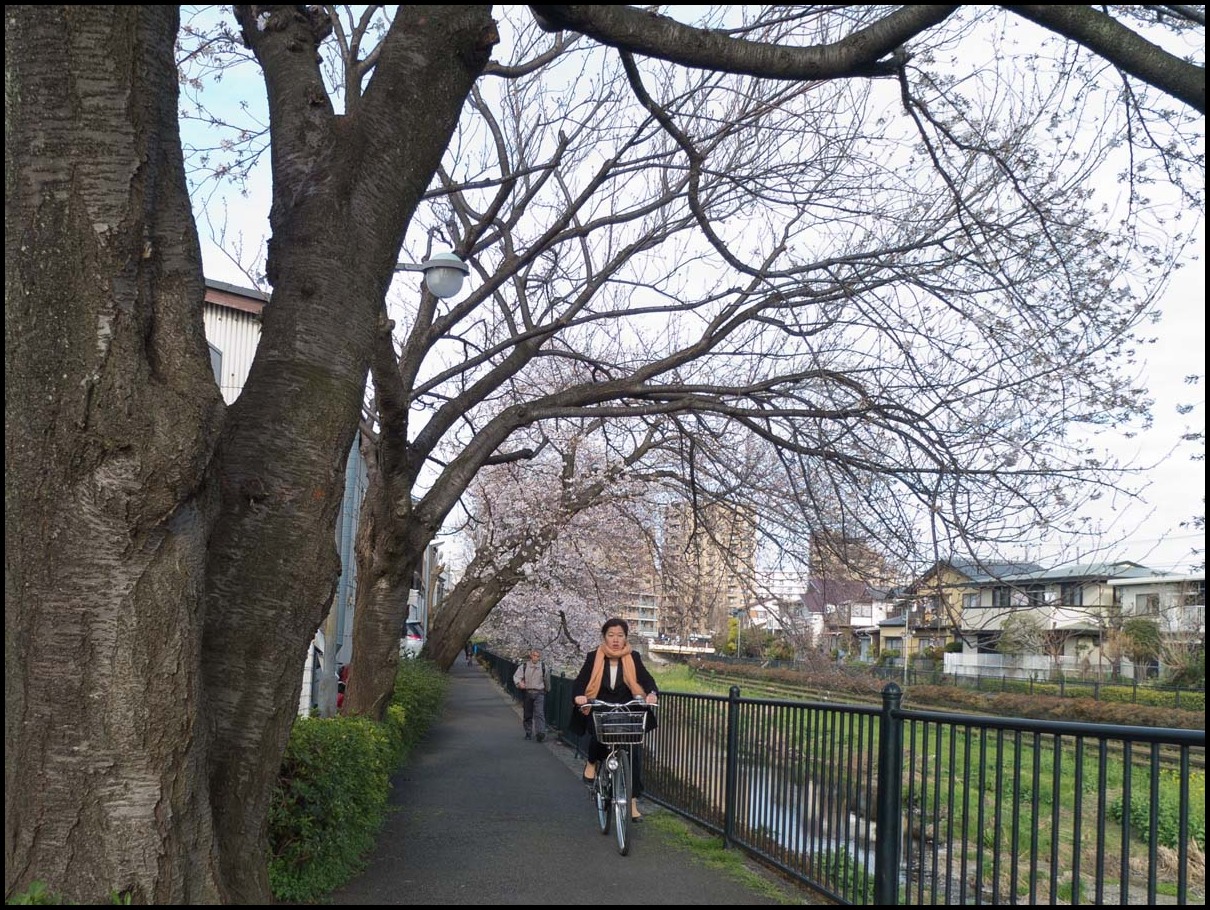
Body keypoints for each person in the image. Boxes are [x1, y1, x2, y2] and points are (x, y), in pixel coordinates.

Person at [571, 617, 658, 822]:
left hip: (627, 709)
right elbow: (581, 681)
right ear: (604, 637)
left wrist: (652, 693)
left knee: (634, 753)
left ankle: (633, 802)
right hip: (602, 706)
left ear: (626, 638)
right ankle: (592, 762)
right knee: (599, 734)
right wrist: (579, 696)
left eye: (620, 635)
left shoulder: (633, 658)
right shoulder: (594, 657)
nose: (616, 640)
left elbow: (647, 680)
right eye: (611, 635)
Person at [512, 648, 548, 742]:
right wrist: (519, 683)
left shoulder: (543, 667)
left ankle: (540, 732)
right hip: (528, 692)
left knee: (539, 713)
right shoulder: (524, 666)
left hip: (539, 692)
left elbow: (547, 680)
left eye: (538, 656)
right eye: (534, 655)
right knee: (527, 713)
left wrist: (547, 689)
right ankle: (528, 731)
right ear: (531, 656)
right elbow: (517, 676)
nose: (536, 658)